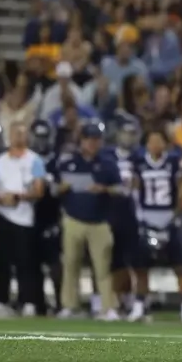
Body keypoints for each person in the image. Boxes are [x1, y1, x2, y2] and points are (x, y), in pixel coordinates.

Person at [55, 122, 122, 320]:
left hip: (100, 221)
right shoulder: (68, 163)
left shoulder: (108, 163)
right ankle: (69, 306)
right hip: (73, 219)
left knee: (103, 267)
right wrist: (61, 188)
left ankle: (108, 308)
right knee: (70, 264)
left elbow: (121, 189)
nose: (93, 143)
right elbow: (53, 189)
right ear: (82, 140)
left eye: (96, 139)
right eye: (89, 139)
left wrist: (104, 189)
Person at [0, 121, 47, 317]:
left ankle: (28, 301)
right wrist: (0, 199)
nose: (18, 137)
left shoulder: (34, 160)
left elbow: (39, 190)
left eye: (22, 133)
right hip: (2, 216)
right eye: (15, 133)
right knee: (0, 262)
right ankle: (0, 300)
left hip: (24, 218)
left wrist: (19, 197)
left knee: (26, 263)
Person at [130, 128, 182, 323]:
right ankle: (139, 306)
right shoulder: (139, 163)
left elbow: (181, 188)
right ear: (146, 144)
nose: (155, 144)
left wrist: (176, 213)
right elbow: (135, 189)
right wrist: (139, 216)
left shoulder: (173, 161)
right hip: (147, 217)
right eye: (152, 140)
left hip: (168, 216)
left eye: (158, 140)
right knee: (141, 266)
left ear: (165, 143)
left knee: (180, 265)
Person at [107, 116, 142, 317]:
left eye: (132, 133)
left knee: (135, 259)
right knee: (115, 259)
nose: (128, 137)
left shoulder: (140, 157)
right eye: (125, 133)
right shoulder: (108, 156)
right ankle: (117, 299)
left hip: (135, 212)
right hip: (114, 211)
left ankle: (134, 298)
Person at [29, 119, 62, 315]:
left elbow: (63, 189)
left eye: (44, 137)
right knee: (32, 264)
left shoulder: (56, 160)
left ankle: (60, 303)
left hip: (51, 216)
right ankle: (37, 303)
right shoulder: (25, 159)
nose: (40, 141)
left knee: (54, 264)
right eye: (37, 136)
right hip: (27, 216)